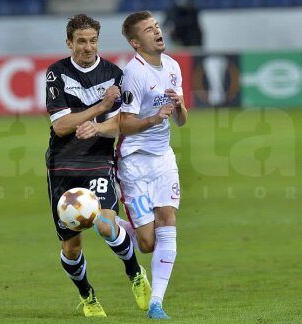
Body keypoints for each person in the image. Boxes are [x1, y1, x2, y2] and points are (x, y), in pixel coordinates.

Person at [45, 14, 151, 317]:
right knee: (72, 247)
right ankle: (88, 296)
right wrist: (101, 108)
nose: (88, 47)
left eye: (92, 40)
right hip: (62, 166)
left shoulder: (116, 74)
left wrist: (105, 123)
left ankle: (134, 274)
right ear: (69, 43)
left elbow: (126, 120)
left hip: (98, 160)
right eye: (81, 41)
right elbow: (62, 126)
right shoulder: (57, 74)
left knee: (106, 223)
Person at [117, 11, 188, 319]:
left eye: (157, 26)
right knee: (146, 243)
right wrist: (152, 120)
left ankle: (156, 303)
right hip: (134, 162)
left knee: (168, 219)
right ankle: (109, 225)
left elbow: (181, 120)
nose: (157, 32)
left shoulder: (172, 66)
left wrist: (180, 106)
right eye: (149, 29)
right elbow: (124, 124)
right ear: (136, 42)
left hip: (163, 159)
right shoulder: (134, 73)